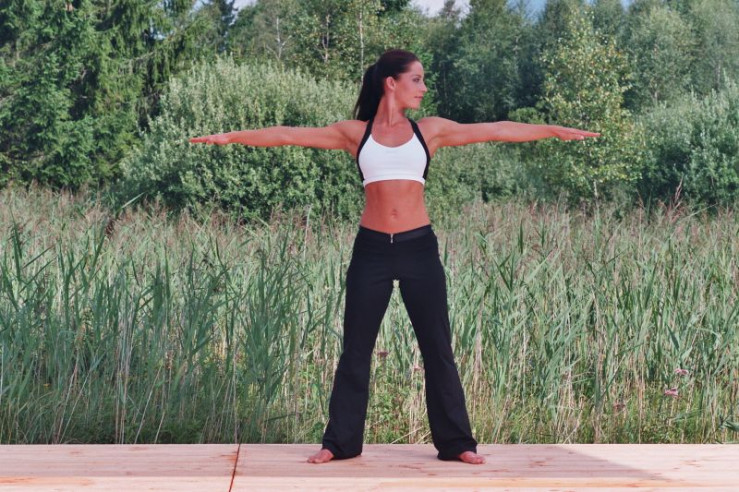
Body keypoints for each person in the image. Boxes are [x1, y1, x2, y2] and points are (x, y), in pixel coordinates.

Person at [190, 49, 599, 465]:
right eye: (416, 79)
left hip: (419, 249)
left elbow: (495, 130)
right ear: (391, 82)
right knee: (356, 350)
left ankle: (457, 443)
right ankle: (340, 443)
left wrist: (552, 130)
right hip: (371, 251)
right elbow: (288, 135)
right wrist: (230, 137)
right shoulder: (355, 134)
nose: (423, 87)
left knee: (437, 348)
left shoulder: (430, 131)